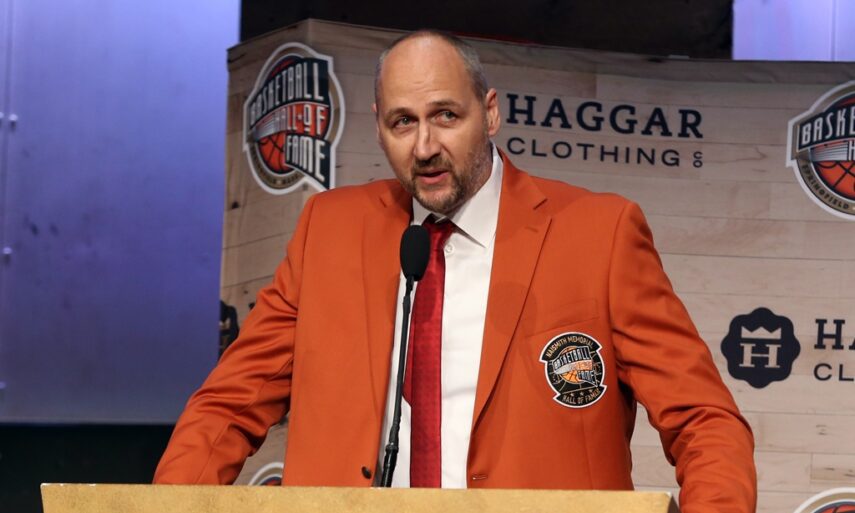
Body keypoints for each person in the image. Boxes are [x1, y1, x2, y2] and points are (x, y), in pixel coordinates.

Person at [154, 30, 756, 512]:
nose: (424, 147)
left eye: (445, 115)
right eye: (403, 122)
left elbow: (704, 421)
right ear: (379, 127)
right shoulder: (328, 230)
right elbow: (229, 407)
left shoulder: (599, 234)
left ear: (489, 113)